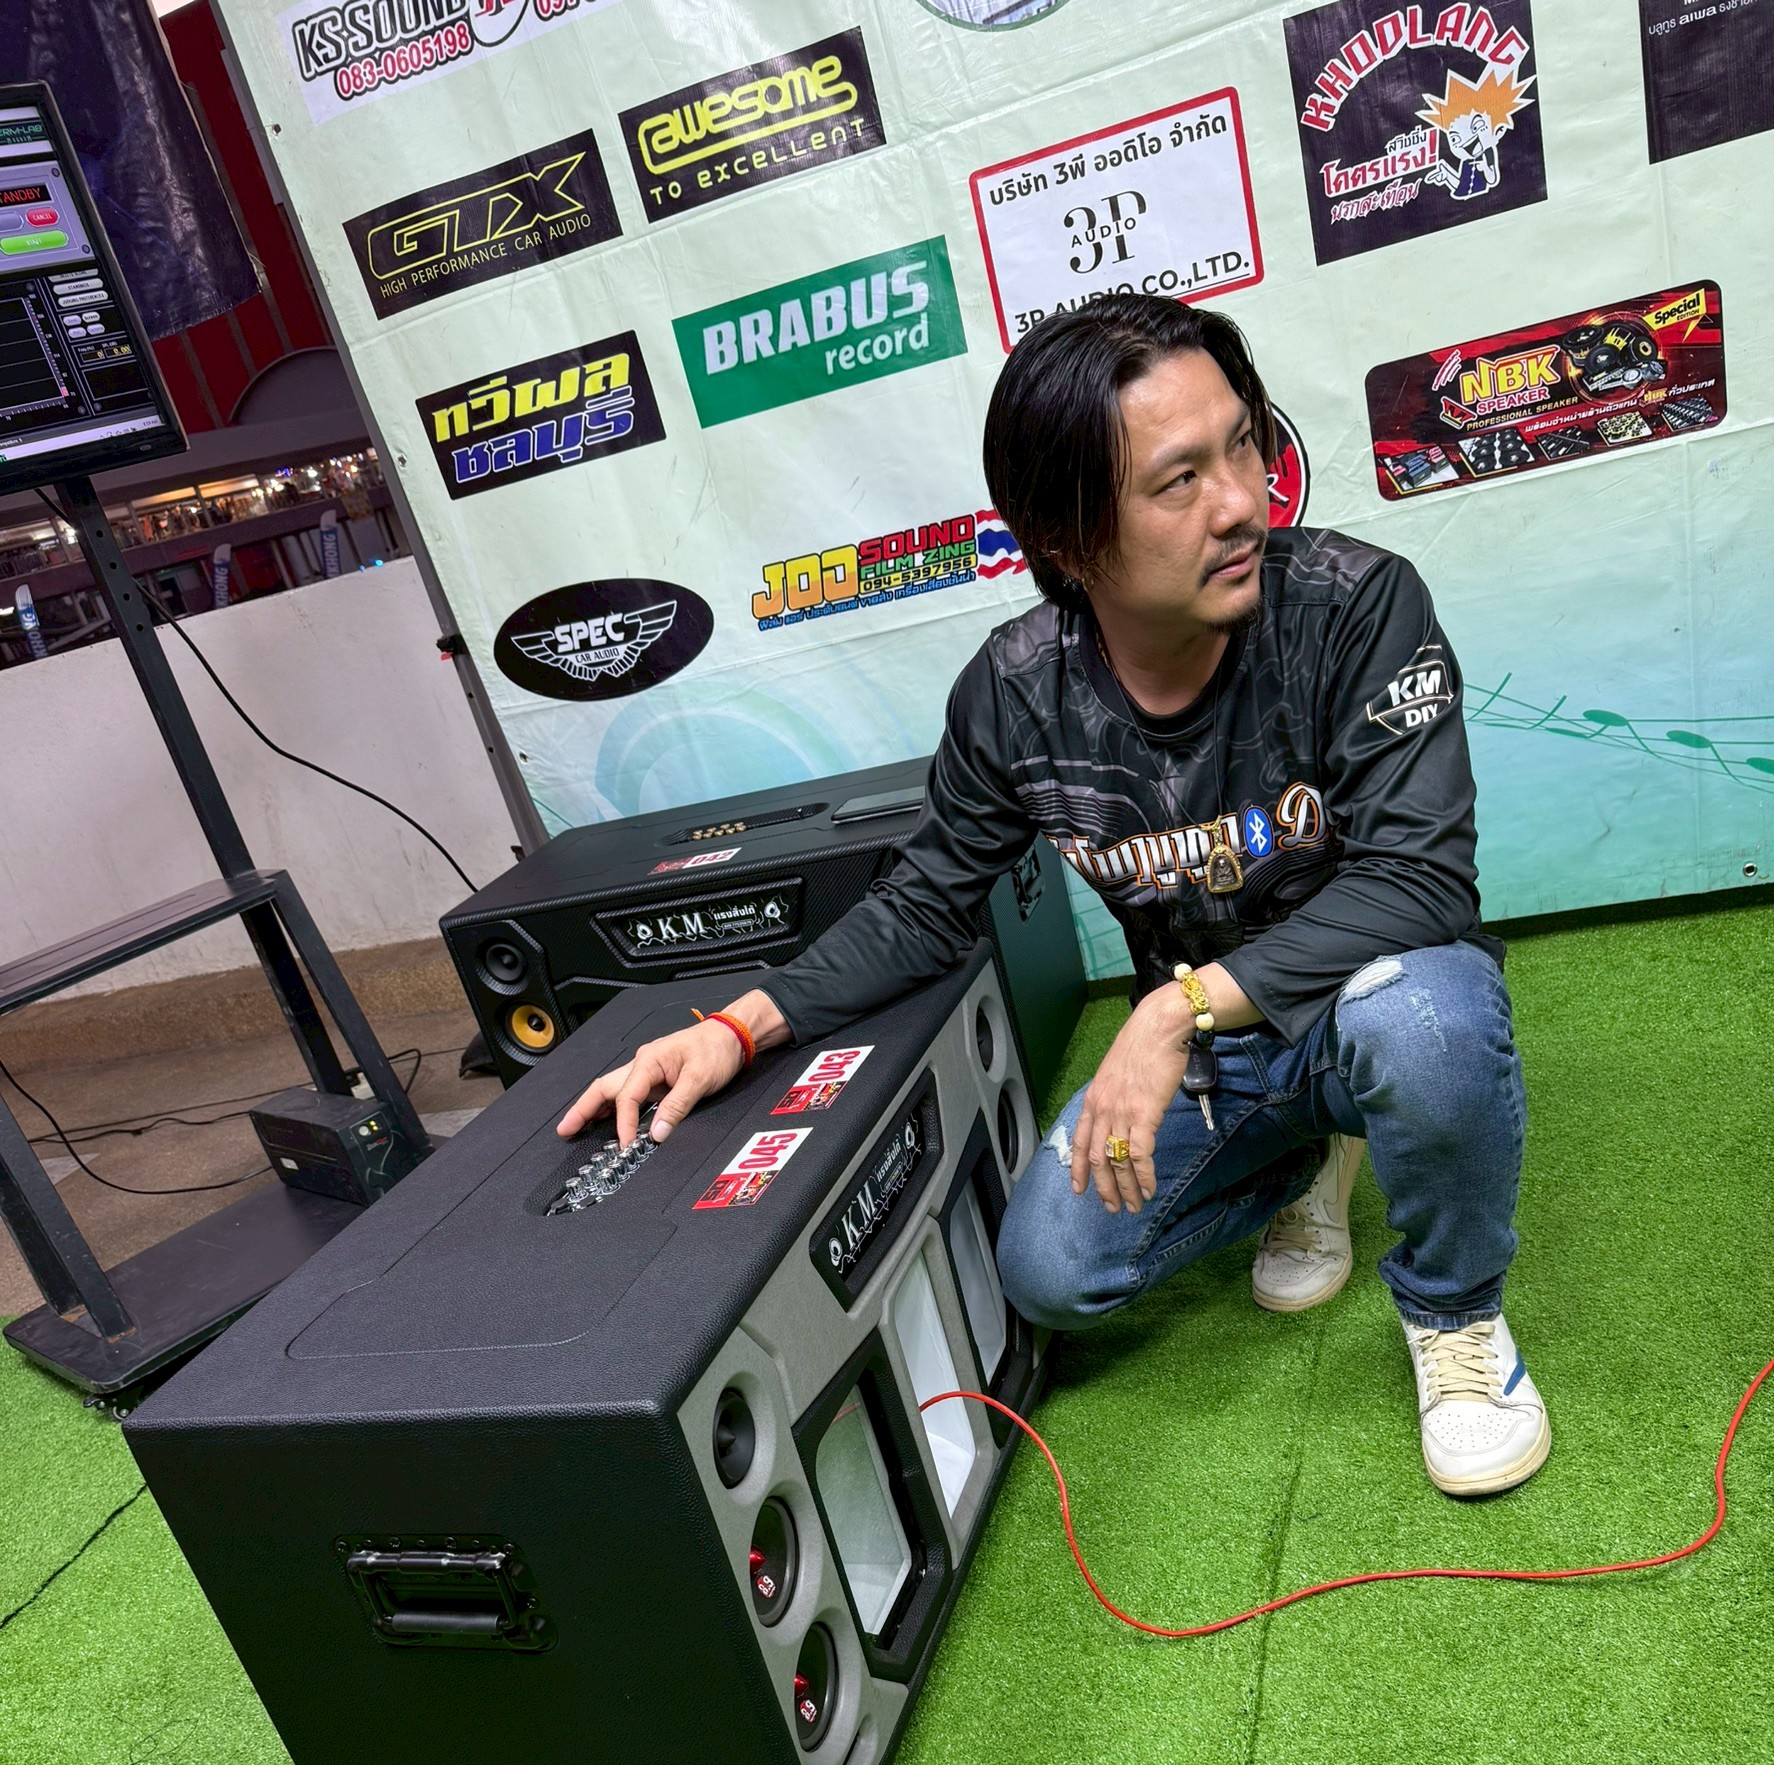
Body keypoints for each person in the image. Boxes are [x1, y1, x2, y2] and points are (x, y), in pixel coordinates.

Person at [558, 293, 1547, 1499]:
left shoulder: (1357, 604)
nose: (1240, 502)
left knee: (1425, 1023)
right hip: (1220, 1060)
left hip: (1361, 999)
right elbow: (925, 903)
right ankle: (1305, 1159)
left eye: (1241, 445)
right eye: (1178, 481)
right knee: (1051, 1275)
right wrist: (736, 1026)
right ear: (1068, 540)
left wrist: (1175, 1005)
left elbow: (1420, 878)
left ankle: (1454, 1316)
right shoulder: (1016, 692)